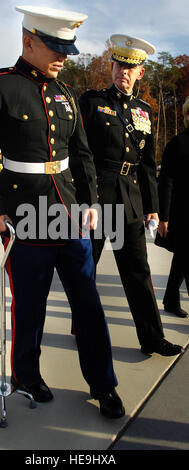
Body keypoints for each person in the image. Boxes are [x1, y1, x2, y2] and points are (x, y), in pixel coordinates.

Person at [0, 6, 125, 419]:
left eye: (67, 49)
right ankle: (27, 376)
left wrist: (90, 206)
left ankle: (103, 384)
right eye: (55, 47)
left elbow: (82, 157)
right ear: (28, 42)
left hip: (69, 216)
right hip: (22, 217)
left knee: (88, 304)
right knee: (29, 307)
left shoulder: (67, 94)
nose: (63, 57)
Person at [79, 34, 183, 356]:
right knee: (86, 269)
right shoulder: (92, 103)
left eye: (130, 67)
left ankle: (152, 337)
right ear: (111, 66)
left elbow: (149, 165)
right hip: (96, 196)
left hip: (130, 199)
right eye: (118, 64)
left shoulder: (145, 111)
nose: (123, 71)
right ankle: (82, 329)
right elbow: (79, 152)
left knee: (138, 271)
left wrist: (153, 207)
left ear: (140, 73)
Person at [157, 96, 189, 318]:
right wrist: (163, 217)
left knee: (182, 258)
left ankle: (170, 299)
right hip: (183, 215)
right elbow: (165, 182)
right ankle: (170, 299)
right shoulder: (178, 144)